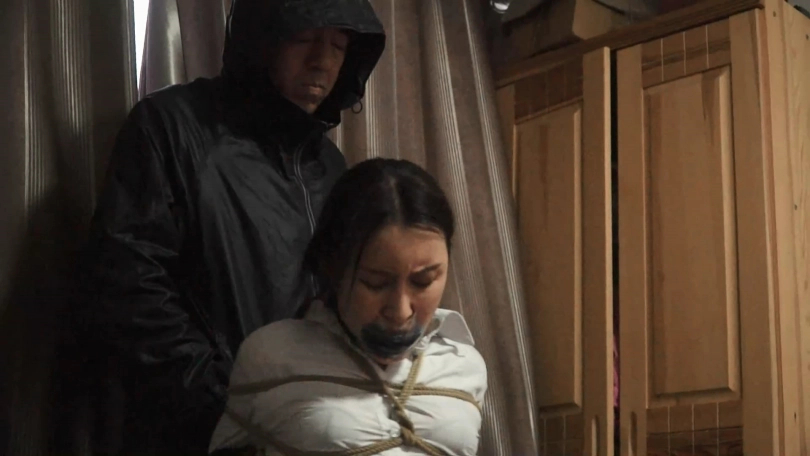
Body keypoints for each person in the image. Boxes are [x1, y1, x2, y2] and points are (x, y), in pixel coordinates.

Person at [70, 0, 386, 454]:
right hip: (196, 433)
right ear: (263, 40)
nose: (323, 61)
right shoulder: (173, 127)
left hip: (302, 429)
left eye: (339, 46)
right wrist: (231, 404)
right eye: (305, 38)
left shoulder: (329, 165)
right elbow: (128, 285)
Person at [208, 158, 488, 456]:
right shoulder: (271, 355)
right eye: (375, 283)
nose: (400, 312)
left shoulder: (465, 364)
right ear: (332, 268)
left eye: (423, 281)